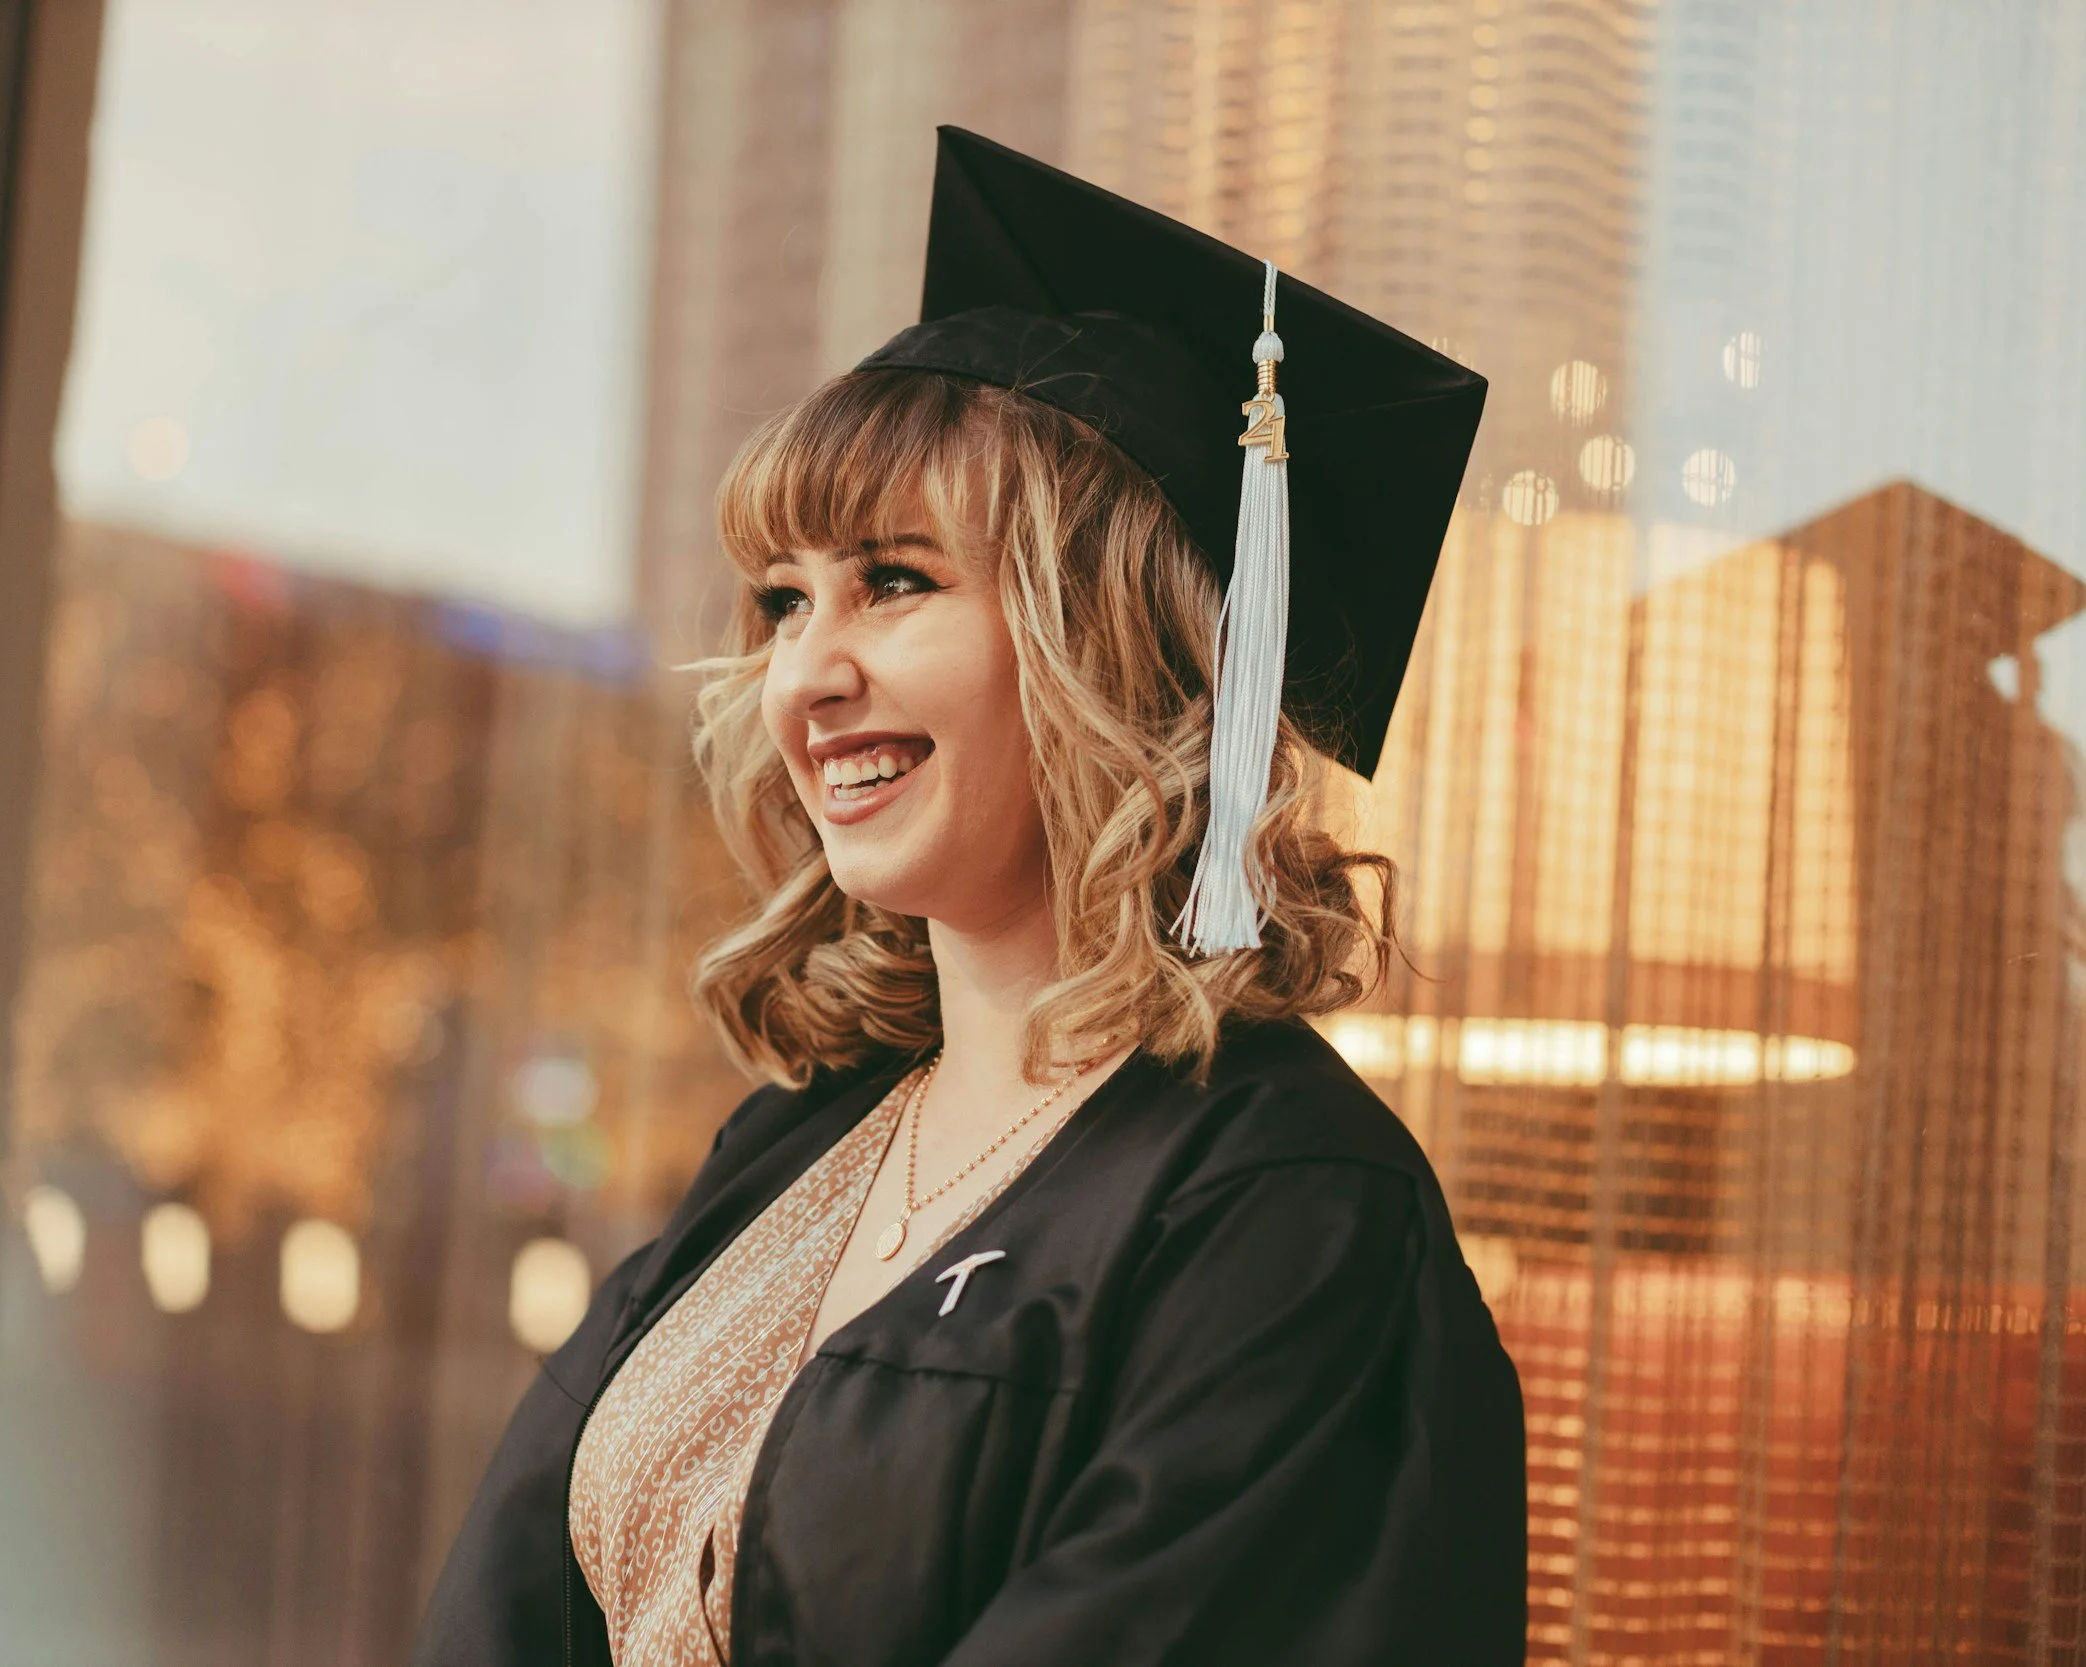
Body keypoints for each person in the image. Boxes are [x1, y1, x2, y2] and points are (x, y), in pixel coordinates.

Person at [412, 128, 1526, 1667]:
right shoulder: (804, 1136)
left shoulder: (1284, 1214)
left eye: (896, 580)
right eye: (785, 601)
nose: (806, 675)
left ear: (1113, 643)